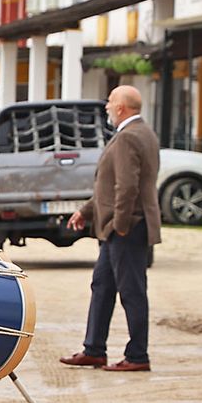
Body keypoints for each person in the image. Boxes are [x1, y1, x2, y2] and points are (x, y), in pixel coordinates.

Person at [59, 85, 161, 373]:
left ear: (121, 108)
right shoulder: (140, 132)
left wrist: (121, 225)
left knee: (132, 291)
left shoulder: (130, 137)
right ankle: (94, 349)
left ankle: (138, 355)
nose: (106, 107)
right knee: (102, 287)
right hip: (118, 227)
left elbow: (126, 188)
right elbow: (109, 185)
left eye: (110, 102)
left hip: (127, 227)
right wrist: (86, 211)